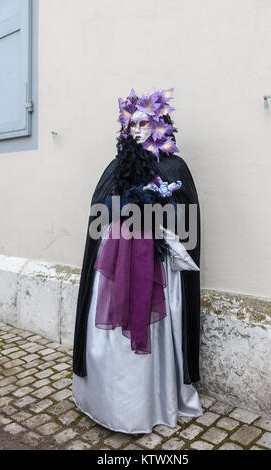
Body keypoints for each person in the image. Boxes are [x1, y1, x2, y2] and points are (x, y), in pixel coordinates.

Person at [72, 88, 203, 434]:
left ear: (160, 122)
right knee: (113, 328)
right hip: (115, 265)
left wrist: (155, 215)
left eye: (146, 121)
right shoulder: (116, 166)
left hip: (156, 267)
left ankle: (151, 402)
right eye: (133, 123)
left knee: (152, 326)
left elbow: (184, 217)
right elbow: (99, 213)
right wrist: (123, 211)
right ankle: (108, 402)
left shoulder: (174, 166)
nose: (139, 128)